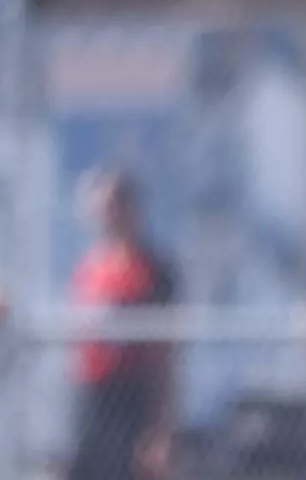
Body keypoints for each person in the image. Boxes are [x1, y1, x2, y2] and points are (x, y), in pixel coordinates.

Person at [67, 169, 179, 480]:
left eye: (111, 205)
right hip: (92, 397)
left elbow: (166, 355)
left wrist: (159, 428)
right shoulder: (89, 266)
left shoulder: (154, 269)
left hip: (133, 397)